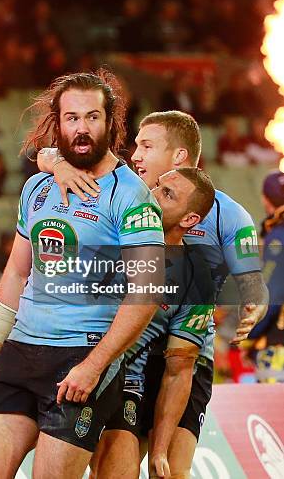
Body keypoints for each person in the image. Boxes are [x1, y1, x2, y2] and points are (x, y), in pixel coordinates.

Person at [0, 70, 165, 479]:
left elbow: (146, 292)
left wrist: (95, 364)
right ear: (58, 122)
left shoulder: (130, 195)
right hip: (22, 349)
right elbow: (17, 271)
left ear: (110, 122)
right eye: (72, 118)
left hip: (81, 353)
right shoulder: (37, 187)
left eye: (92, 117)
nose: (82, 128)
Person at [38, 109, 268, 476]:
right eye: (136, 146)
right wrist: (58, 164)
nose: (135, 155)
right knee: (114, 464)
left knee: (169, 469)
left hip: (186, 353)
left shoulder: (228, 214)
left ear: (177, 156)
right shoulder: (127, 194)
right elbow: (49, 155)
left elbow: (252, 280)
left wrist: (254, 304)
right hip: (127, 348)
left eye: (146, 146)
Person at [90, 167, 216, 479]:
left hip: (126, 381)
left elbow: (180, 370)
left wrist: (160, 450)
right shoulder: (113, 223)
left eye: (167, 194)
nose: (152, 194)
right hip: (68, 366)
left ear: (189, 220)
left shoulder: (196, 278)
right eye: (157, 186)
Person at [248, 171, 284, 383]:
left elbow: (272, 293)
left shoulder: (278, 236)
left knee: (274, 414)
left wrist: (249, 332)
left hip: (277, 346)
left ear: (264, 199)